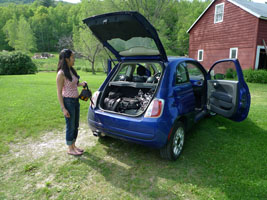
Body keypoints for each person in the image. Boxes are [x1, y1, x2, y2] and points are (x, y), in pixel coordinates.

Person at [56, 49, 87, 156]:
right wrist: (63, 108)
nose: (74, 59)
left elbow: (73, 84)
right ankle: (70, 148)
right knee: (70, 125)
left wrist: (81, 84)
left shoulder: (72, 70)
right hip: (68, 102)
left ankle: (74, 146)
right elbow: (59, 92)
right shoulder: (61, 73)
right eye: (72, 57)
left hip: (75, 101)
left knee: (76, 125)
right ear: (66, 59)